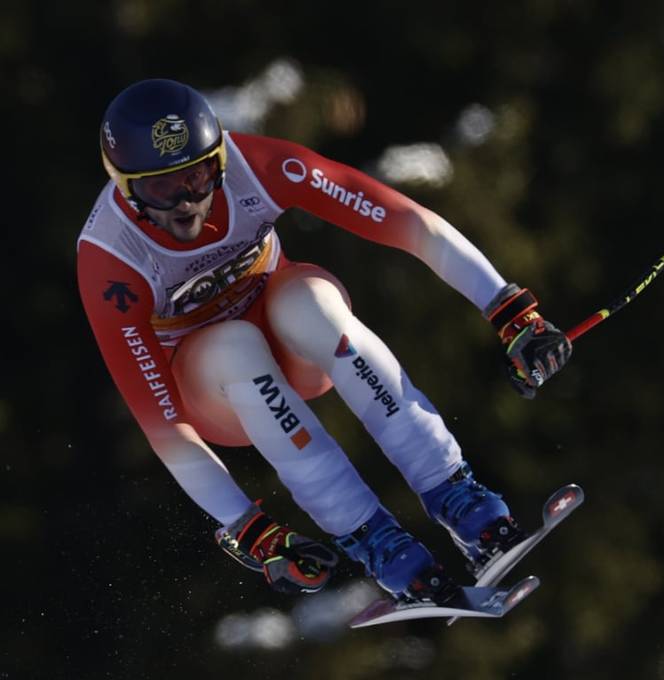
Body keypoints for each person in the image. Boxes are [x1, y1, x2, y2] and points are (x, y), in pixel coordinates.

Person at [77, 79, 572, 601]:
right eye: (162, 189)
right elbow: (165, 427)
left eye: (199, 176)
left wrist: (510, 311)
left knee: (310, 304)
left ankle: (462, 499)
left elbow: (407, 223)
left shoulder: (258, 167)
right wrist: (249, 529)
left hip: (296, 342)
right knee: (233, 346)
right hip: (220, 389)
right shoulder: (112, 259)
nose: (187, 202)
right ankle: (378, 543)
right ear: (125, 186)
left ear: (220, 158)